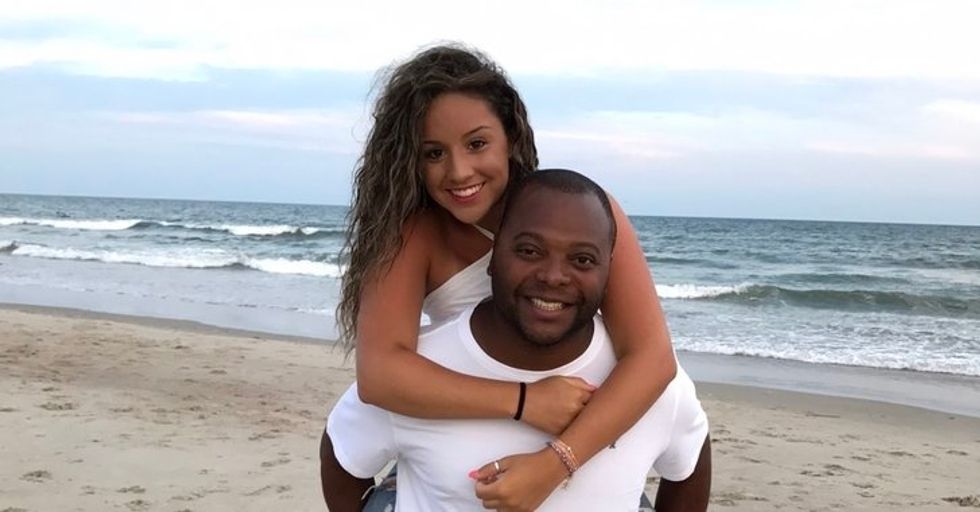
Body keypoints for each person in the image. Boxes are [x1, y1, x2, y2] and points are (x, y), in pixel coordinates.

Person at [322, 43, 679, 509]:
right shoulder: (416, 235)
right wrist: (525, 401)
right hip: (459, 452)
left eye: (476, 143)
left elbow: (652, 358)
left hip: (577, 440)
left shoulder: (583, 213)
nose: (459, 171)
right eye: (433, 153)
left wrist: (557, 463)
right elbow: (380, 374)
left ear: (509, 136)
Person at [322, 169, 712, 511]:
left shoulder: (646, 381)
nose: (554, 276)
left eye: (583, 260)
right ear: (492, 257)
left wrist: (558, 461)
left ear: (611, 272)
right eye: (529, 251)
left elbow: (689, 461)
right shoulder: (419, 374)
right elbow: (341, 454)